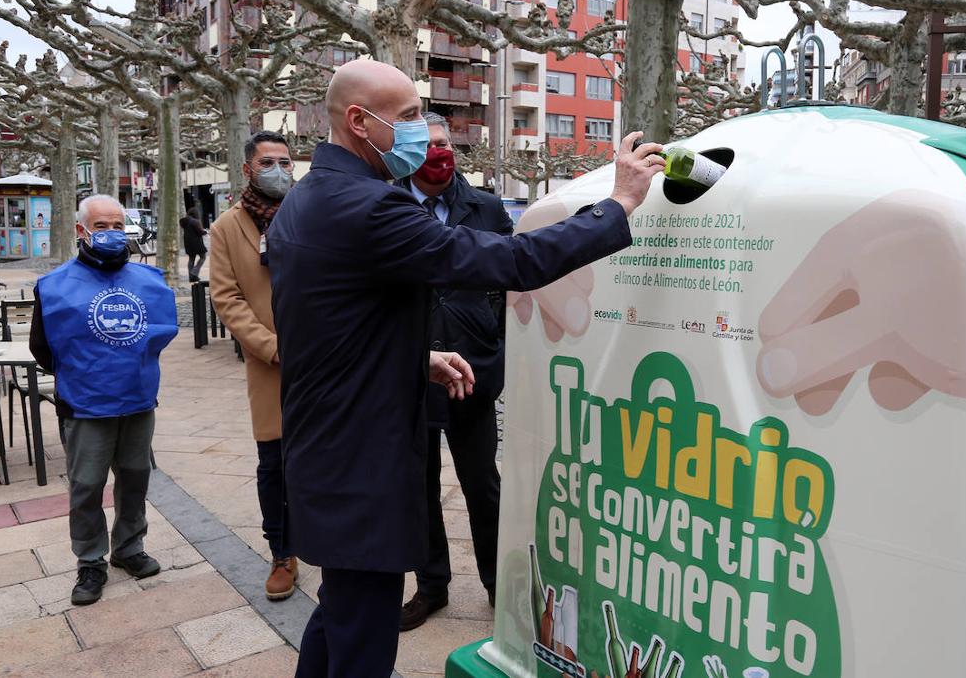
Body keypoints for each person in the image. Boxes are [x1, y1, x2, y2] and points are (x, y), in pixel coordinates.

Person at [267, 58, 665, 678]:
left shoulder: (311, 195)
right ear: (357, 121)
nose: (422, 133)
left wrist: (415, 356)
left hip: (329, 445)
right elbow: (514, 261)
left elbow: (331, 322)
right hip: (359, 458)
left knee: (342, 612)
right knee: (363, 634)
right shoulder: (367, 207)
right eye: (405, 118)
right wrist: (618, 203)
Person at [29, 194, 179, 606]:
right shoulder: (55, 286)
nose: (111, 234)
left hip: (137, 401)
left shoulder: (149, 281)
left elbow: (160, 337)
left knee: (134, 479)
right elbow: (42, 348)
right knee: (87, 486)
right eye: (101, 227)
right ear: (82, 231)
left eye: (117, 225)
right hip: (86, 405)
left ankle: (129, 548)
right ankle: (90, 561)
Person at [396, 113, 511, 630]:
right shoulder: (388, 204)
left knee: (483, 483)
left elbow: (511, 280)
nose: (440, 153)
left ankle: (497, 583)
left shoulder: (484, 207)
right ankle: (432, 585)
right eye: (429, 145)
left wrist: (494, 339)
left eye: (446, 144)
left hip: (473, 369)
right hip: (411, 370)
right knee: (417, 488)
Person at [209, 130, 299, 601]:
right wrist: (271, 346)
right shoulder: (227, 227)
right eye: (268, 162)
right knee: (273, 464)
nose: (279, 170)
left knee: (322, 457)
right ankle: (282, 552)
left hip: (323, 359)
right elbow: (227, 298)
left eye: (285, 162)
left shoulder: (311, 213)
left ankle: (322, 539)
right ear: (247, 168)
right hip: (272, 366)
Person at [179, 206, 208, 282]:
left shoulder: (185, 221)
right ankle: (194, 272)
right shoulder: (195, 221)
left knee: (191, 259)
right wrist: (205, 232)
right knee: (203, 257)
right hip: (197, 243)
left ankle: (191, 277)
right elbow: (200, 232)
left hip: (188, 243)